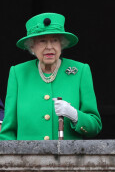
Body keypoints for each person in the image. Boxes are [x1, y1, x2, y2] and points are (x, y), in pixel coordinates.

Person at [0, 12, 102, 140]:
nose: (49, 47)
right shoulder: (18, 73)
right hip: (27, 159)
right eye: (42, 41)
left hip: (68, 158)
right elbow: (7, 132)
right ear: (32, 45)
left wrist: (75, 115)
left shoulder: (81, 71)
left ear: (62, 44)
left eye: (55, 40)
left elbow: (95, 126)